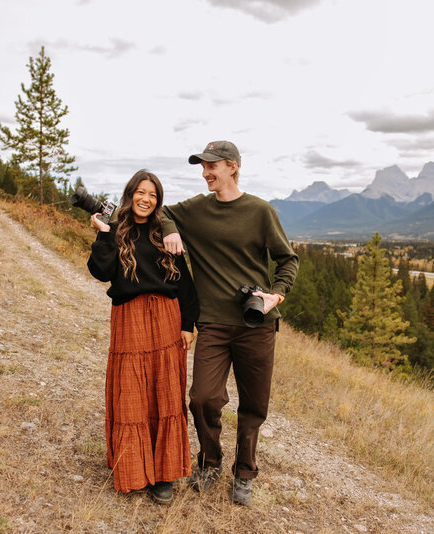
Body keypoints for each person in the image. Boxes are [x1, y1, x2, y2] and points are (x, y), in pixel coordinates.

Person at [161, 140, 298, 506]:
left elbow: (288, 260)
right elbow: (156, 210)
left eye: (212, 166)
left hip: (257, 324)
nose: (205, 173)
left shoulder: (260, 211)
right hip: (214, 324)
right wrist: (170, 229)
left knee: (254, 406)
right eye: (202, 167)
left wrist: (275, 294)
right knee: (203, 398)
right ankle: (210, 463)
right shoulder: (195, 211)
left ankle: (245, 473)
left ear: (232, 167)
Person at [87, 170, 198, 505]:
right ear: (130, 194)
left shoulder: (165, 232)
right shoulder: (116, 229)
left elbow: (186, 283)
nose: (146, 199)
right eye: (140, 192)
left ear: (158, 200)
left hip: (167, 316)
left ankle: (163, 474)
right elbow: (100, 272)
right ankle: (134, 468)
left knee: (166, 392)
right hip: (129, 317)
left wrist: (188, 324)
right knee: (132, 393)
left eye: (152, 194)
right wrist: (104, 235)